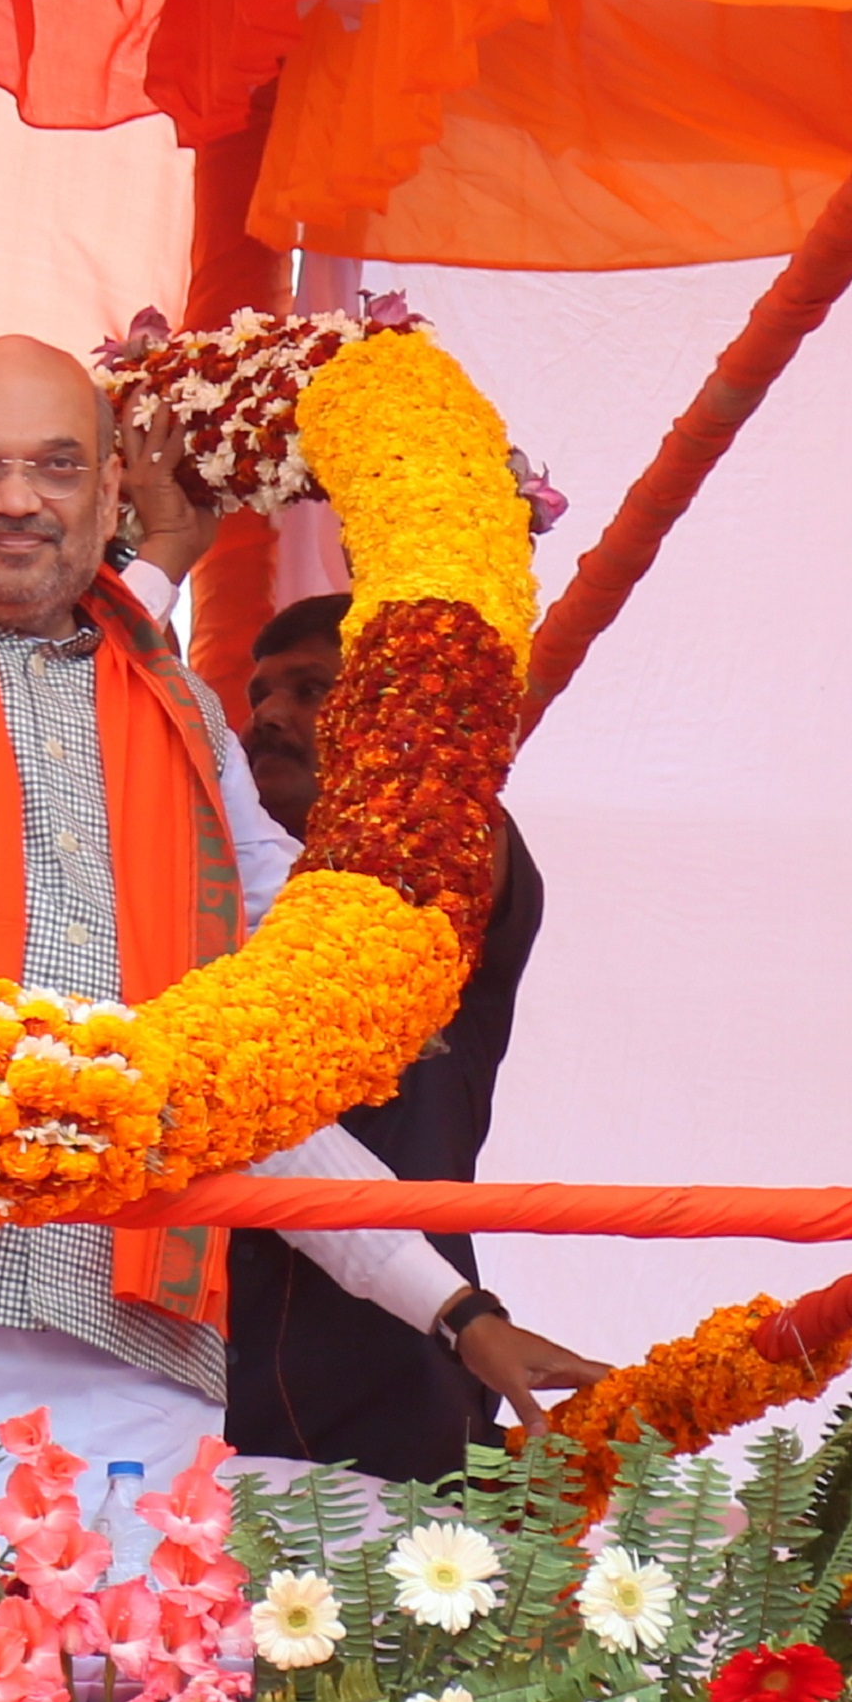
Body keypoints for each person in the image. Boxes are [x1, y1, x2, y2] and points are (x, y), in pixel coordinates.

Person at [0, 23, 604, 1483]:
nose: (15, 499)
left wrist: (456, 1306)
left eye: (54, 465)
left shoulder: (189, 725)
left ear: (112, 500)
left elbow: (245, 1066)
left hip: (124, 1332)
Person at [227, 593, 553, 1480]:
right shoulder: (199, 894)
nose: (267, 717)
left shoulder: (453, 856)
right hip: (211, 1369)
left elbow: (444, 809)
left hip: (413, 1353)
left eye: (311, 690)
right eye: (259, 694)